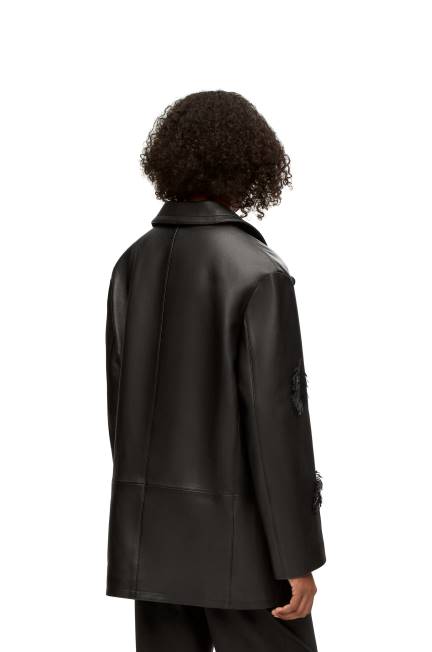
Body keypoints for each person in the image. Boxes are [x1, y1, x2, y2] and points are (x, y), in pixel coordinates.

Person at [105, 90, 326, 652]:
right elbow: (276, 425)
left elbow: (121, 415)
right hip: (245, 553)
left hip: (153, 546)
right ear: (251, 164)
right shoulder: (258, 272)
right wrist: (296, 557)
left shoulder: (132, 264)